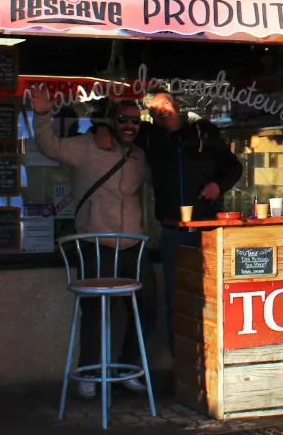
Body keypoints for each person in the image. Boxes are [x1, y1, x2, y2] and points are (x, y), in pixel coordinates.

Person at [30, 86, 149, 399]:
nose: (130, 126)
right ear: (112, 119)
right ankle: (91, 372)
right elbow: (49, 147)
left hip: (133, 246)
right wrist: (42, 115)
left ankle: (126, 368)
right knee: (96, 311)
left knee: (147, 307)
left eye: (136, 121)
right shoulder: (88, 146)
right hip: (97, 243)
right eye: (123, 119)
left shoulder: (139, 155)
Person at [138, 89, 244, 326]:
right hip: (173, 231)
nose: (161, 111)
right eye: (154, 109)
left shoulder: (203, 133)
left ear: (175, 105)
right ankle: (182, 360)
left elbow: (234, 167)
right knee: (177, 300)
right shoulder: (150, 138)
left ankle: (211, 359)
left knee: (214, 296)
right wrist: (99, 129)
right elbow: (119, 130)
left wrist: (218, 185)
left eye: (164, 104)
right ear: (151, 116)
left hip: (209, 229)